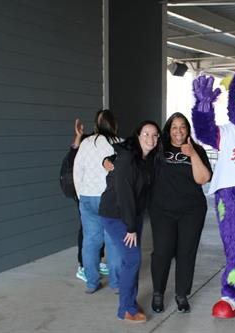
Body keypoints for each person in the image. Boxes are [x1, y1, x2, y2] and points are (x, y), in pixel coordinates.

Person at [99, 120, 162, 323]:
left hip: (132, 214)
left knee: (132, 260)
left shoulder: (148, 158)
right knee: (132, 259)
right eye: (146, 134)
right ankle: (125, 309)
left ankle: (130, 303)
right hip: (116, 215)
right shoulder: (127, 158)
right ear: (137, 136)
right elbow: (124, 194)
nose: (150, 138)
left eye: (154, 135)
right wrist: (131, 227)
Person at [149, 112, 212, 314]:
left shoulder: (198, 150)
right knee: (161, 252)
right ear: (168, 130)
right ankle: (158, 293)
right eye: (174, 127)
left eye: (182, 126)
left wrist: (192, 154)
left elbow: (203, 179)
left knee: (186, 253)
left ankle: (181, 295)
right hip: (162, 210)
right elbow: (136, 156)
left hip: (191, 211)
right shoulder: (159, 150)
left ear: (187, 129)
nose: (178, 131)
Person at [73, 110, 121, 294]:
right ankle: (116, 284)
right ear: (114, 124)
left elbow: (78, 170)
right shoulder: (119, 144)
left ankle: (92, 283)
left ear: (96, 125)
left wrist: (80, 195)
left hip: (87, 197)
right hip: (109, 199)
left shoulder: (86, 143)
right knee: (113, 242)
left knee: (91, 241)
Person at [62, 118, 108, 282]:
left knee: (98, 230)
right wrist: (78, 136)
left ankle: (96, 261)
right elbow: (73, 153)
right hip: (85, 192)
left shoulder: (107, 141)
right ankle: (83, 265)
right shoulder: (87, 140)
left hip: (97, 193)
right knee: (88, 231)